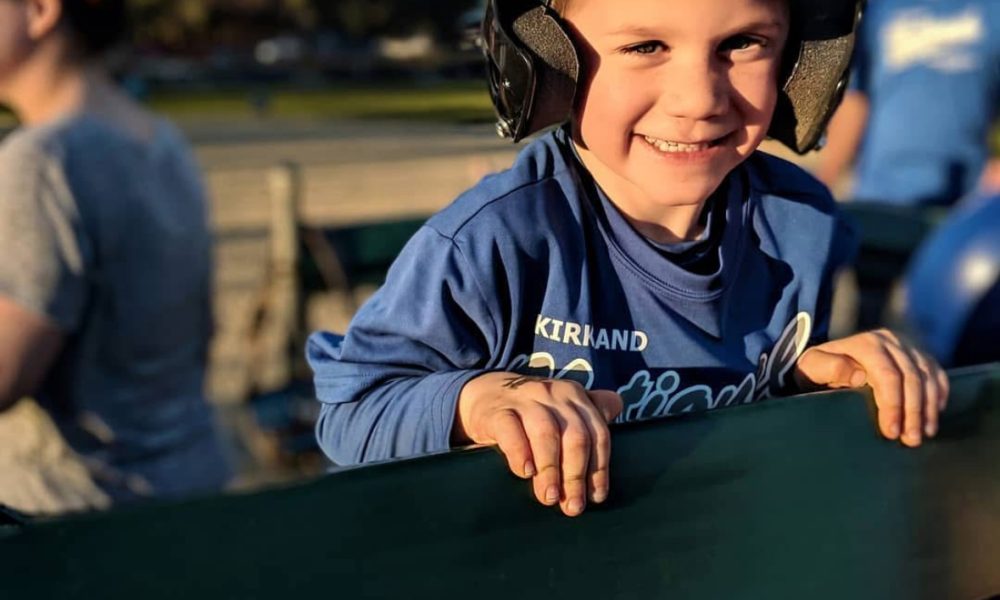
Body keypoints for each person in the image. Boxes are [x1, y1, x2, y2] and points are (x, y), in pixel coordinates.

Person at [308, 0, 950, 518]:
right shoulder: (496, 241)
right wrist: (474, 403)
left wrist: (809, 380)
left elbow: (755, 422)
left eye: (742, 42)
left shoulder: (801, 223)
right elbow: (352, 415)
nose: (699, 99)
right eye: (646, 46)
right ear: (548, 58)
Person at [0, 0, 230, 511]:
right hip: (187, 489)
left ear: (40, 11)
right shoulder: (163, 141)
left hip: (68, 513)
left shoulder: (42, 161)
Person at [815, 0, 1000, 205]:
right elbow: (855, 101)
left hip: (967, 200)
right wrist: (826, 178)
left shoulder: (991, 10)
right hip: (879, 196)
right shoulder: (876, 10)